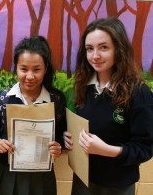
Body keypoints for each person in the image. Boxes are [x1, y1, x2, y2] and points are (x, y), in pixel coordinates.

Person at [63, 17, 153, 195]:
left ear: (119, 50)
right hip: (83, 180)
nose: (95, 56)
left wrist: (106, 150)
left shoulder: (138, 93)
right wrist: (70, 136)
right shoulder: (83, 86)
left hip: (116, 186)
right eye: (90, 49)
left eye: (104, 47)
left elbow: (145, 149)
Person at [0, 36, 67, 195]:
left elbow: (60, 135)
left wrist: (58, 147)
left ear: (45, 69)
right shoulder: (3, 99)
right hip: (8, 174)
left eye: (36, 69)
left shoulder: (56, 100)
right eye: (24, 69)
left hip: (42, 177)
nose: (30, 76)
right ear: (16, 68)